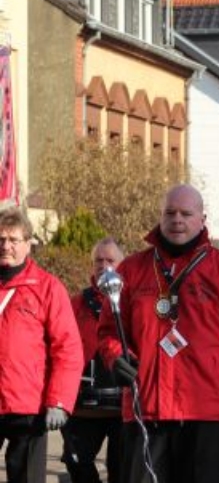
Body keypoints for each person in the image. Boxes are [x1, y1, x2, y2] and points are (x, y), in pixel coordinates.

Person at [98, 184, 219, 483]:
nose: (177, 219)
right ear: (160, 216)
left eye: (186, 213)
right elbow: (110, 332)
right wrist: (116, 357)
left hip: (209, 416)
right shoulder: (133, 269)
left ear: (202, 218)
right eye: (170, 212)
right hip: (148, 411)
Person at [0, 206, 83, 483]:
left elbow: (68, 349)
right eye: (1, 240)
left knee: (25, 477)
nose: (6, 246)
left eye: (13, 240)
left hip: (28, 406)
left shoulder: (48, 288)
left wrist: (59, 401)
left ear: (28, 243)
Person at [61, 237, 126, 483]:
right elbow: (62, 345)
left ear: (122, 264)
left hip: (124, 403)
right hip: (85, 404)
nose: (104, 265)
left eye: (110, 260)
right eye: (98, 260)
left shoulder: (133, 301)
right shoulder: (78, 303)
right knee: (75, 461)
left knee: (121, 468)